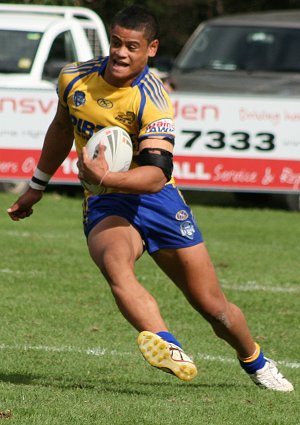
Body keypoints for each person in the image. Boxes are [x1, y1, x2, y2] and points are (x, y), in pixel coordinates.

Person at [7, 5, 293, 392]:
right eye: (116, 43)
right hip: (106, 201)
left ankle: (255, 361)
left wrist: (105, 175)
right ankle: (167, 344)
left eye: (132, 46)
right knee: (116, 265)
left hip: (158, 202)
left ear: (152, 48)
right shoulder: (74, 78)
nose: (121, 53)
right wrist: (37, 186)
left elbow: (157, 176)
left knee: (213, 306)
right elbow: (61, 127)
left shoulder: (152, 98)